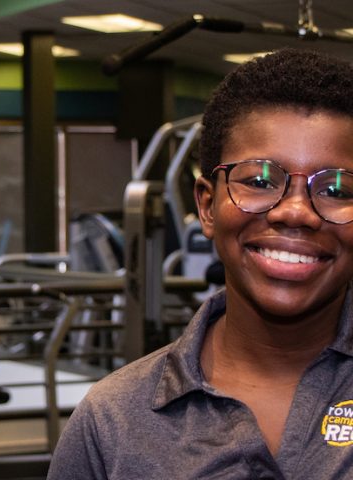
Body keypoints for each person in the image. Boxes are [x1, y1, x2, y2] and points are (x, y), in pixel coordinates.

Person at [47, 48, 353, 479]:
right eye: (260, 181)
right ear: (208, 207)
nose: (296, 212)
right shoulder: (113, 421)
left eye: (338, 190)